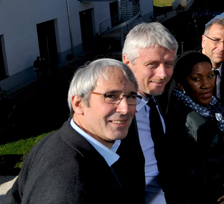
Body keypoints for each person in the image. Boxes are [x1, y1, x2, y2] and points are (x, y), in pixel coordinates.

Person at [4, 59, 143, 204]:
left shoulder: (52, 142)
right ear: (78, 104)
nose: (125, 108)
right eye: (111, 96)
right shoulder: (70, 188)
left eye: (131, 96)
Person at [166, 51, 224, 204]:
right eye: (196, 78)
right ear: (181, 84)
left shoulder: (217, 107)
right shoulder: (180, 119)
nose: (207, 84)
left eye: (210, 76)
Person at [120, 22, 178, 204]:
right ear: (128, 62)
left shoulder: (158, 96)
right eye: (152, 64)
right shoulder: (110, 115)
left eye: (168, 63)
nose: (162, 74)